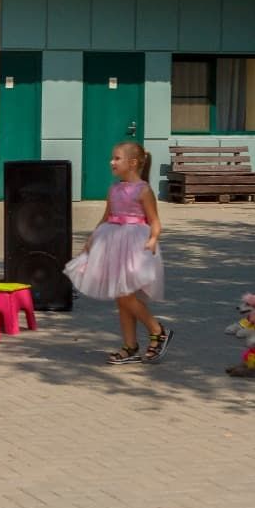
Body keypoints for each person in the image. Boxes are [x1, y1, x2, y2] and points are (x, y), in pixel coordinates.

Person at [64, 141, 174, 364]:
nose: (111, 162)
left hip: (134, 246)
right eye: (112, 158)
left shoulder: (144, 190)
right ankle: (130, 346)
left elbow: (155, 221)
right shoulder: (113, 189)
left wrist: (153, 239)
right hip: (112, 243)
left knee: (126, 295)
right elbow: (106, 217)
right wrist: (92, 239)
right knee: (121, 298)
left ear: (132, 163)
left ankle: (157, 330)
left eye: (116, 158)